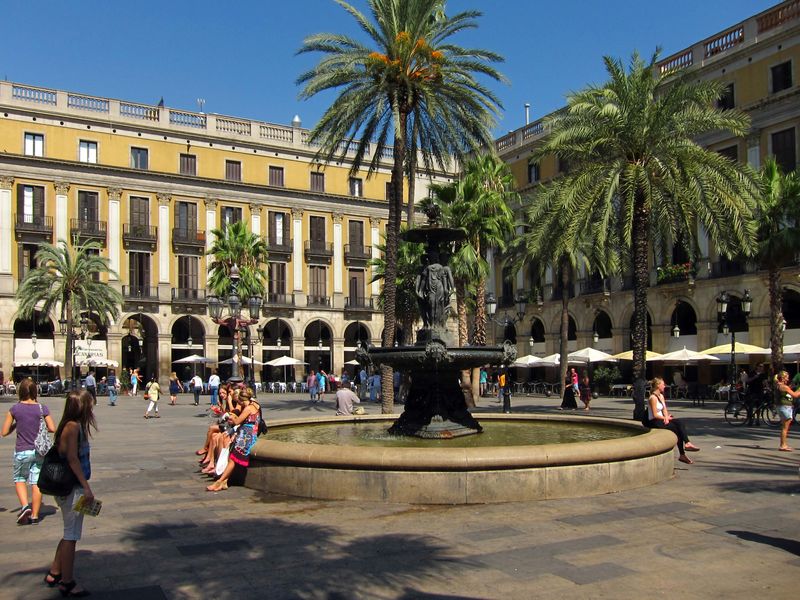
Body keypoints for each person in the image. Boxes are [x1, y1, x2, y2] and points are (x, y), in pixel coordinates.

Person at [45, 389, 95, 596]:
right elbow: (73, 459)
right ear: (82, 407)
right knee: (71, 535)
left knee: (69, 531)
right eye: (89, 404)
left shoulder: (70, 425)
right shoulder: (73, 427)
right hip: (72, 487)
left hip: (69, 487)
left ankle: (55, 571)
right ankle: (67, 581)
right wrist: (86, 487)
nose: (92, 407)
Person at [1, 378, 56, 526]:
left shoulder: (14, 409)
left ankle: (25, 506)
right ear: (34, 391)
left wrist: (15, 426)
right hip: (39, 451)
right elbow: (52, 428)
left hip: (22, 450)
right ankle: (35, 515)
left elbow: (4, 432)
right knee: (36, 482)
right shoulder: (42, 408)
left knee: (20, 479)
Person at [207, 388, 261, 492]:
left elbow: (237, 422)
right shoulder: (255, 405)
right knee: (231, 457)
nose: (238, 404)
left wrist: (229, 418)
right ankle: (224, 481)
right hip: (249, 433)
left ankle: (220, 481)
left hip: (246, 436)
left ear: (241, 399)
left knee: (232, 459)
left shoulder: (248, 409)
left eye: (239, 401)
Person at [647, 377, 699, 464]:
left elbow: (664, 410)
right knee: (676, 429)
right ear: (658, 386)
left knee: (679, 422)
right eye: (663, 384)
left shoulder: (661, 396)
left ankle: (687, 444)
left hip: (662, 419)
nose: (664, 386)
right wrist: (665, 418)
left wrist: (667, 417)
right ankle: (683, 453)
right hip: (655, 421)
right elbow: (655, 415)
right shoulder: (653, 398)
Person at [775, 371, 800, 452]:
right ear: (782, 378)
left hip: (781, 407)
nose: (788, 378)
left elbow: (786, 392)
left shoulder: (779, 385)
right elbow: (795, 395)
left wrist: (790, 387)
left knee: (784, 427)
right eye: (786, 377)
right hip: (785, 407)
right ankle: (783, 445)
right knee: (785, 428)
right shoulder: (784, 387)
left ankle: (783, 444)